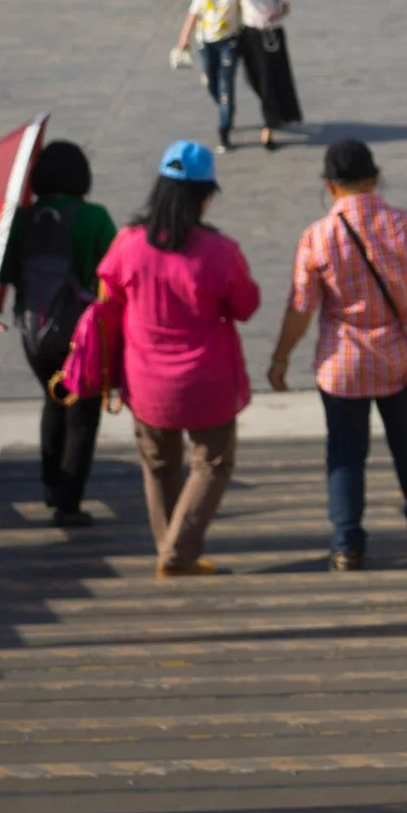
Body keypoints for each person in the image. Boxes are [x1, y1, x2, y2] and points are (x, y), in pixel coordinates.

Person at [266, 139, 407, 572]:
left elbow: (300, 307)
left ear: (331, 186)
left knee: (345, 455)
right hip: (400, 360)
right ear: (374, 177)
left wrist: (280, 358)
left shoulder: (317, 236)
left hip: (341, 367)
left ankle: (347, 543)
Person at [96, 141, 261, 577]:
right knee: (212, 462)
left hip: (146, 381)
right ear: (204, 195)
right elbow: (246, 306)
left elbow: (107, 302)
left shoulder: (128, 244)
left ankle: (172, 550)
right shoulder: (219, 251)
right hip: (207, 380)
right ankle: (177, 553)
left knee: (159, 465)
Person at [0, 140, 117, 525]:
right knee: (82, 413)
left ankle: (51, 483)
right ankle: (69, 503)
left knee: (53, 399)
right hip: (82, 337)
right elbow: (114, 274)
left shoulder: (21, 220)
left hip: (35, 333)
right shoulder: (94, 217)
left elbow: (4, 273)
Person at [173, 0, 245, 153]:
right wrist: (184, 37)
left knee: (226, 84)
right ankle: (225, 108)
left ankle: (224, 128)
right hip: (205, 41)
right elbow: (194, 13)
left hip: (229, 40)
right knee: (212, 82)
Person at [236, 0, 304, 150]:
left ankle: (268, 127)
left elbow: (286, 7)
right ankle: (275, 111)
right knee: (253, 78)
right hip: (249, 35)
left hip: (271, 34)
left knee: (269, 80)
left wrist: (278, 14)